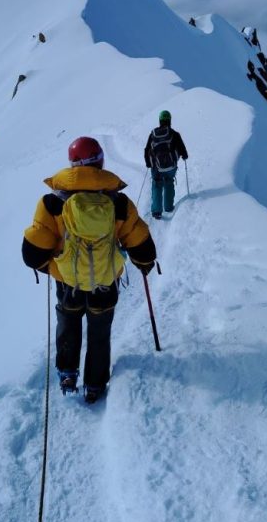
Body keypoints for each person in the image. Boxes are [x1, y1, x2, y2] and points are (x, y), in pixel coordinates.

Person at [22, 136, 157, 403]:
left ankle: (68, 373)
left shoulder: (52, 204)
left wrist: (53, 268)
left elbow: (33, 253)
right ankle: (94, 384)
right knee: (99, 332)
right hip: (105, 284)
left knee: (68, 324)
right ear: (100, 162)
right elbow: (138, 240)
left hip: (67, 284)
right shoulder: (118, 203)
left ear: (72, 165)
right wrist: (145, 263)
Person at [144, 110, 188, 219]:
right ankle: (168, 207)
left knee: (157, 185)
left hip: (156, 166)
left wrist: (148, 163)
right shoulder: (174, 134)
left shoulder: (153, 134)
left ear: (160, 121)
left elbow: (147, 149)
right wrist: (184, 156)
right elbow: (182, 148)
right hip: (170, 166)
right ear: (169, 120)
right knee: (168, 182)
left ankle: (156, 212)